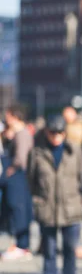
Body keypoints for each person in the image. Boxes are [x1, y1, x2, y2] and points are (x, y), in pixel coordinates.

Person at [28, 115, 82, 274]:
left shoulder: (74, 150)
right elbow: (31, 180)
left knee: (70, 249)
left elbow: (81, 177)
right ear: (46, 133)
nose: (56, 136)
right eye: (53, 132)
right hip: (48, 208)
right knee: (50, 250)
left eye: (60, 132)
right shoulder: (37, 152)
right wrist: (39, 200)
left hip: (70, 207)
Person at [1, 105, 34, 260]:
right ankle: (22, 244)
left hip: (19, 177)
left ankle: (22, 245)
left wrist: (10, 170)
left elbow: (21, 158)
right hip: (20, 176)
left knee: (19, 210)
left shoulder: (22, 134)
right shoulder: (20, 133)